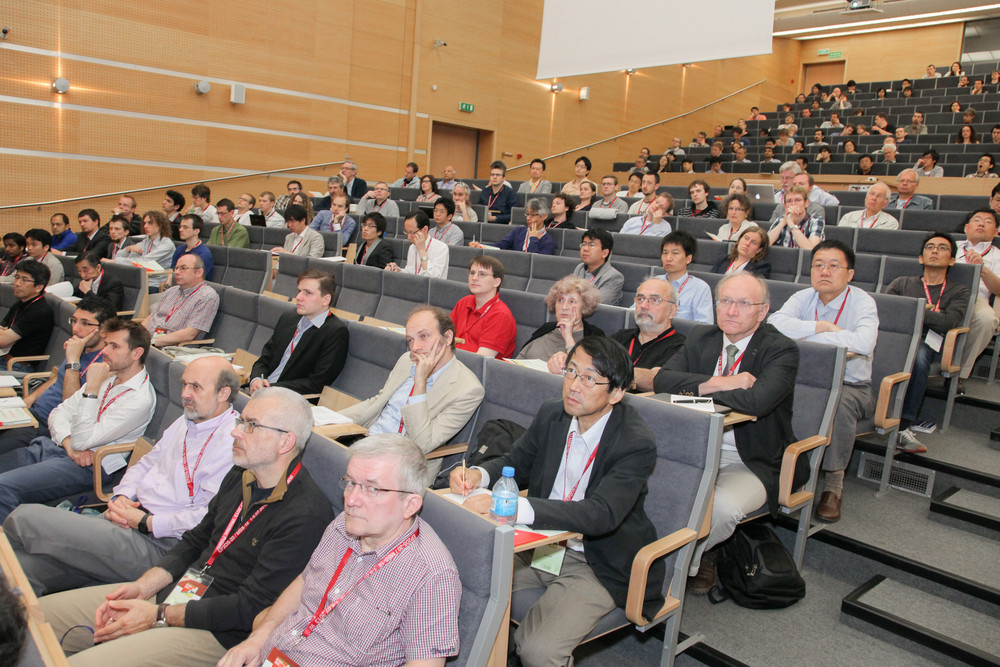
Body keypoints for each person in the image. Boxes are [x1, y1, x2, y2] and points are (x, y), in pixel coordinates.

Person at [38, 387, 332, 665]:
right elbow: (195, 540)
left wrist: (157, 615)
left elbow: (248, 607)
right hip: (176, 596)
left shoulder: (305, 514)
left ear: (285, 442)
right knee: (37, 619)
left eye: (250, 425)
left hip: (216, 632)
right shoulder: (241, 474)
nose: (236, 431)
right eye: (241, 421)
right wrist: (142, 588)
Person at [451, 336, 660, 666]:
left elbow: (601, 514)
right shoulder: (553, 413)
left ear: (617, 393)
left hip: (595, 562)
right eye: (571, 372)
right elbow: (517, 463)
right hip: (539, 546)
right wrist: (479, 475)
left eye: (589, 379)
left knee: (539, 651)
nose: (574, 386)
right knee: (457, 586)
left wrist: (512, 507)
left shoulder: (634, 442)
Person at [4, 356, 240, 596]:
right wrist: (122, 497)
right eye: (184, 384)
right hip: (127, 519)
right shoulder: (188, 419)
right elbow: (145, 464)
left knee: (25, 518)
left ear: (223, 394)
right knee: (23, 570)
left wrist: (146, 522)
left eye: (196, 387)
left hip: (160, 544)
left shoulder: (232, 443)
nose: (185, 394)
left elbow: (208, 517)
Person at [219, 434, 461, 667]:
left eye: (372, 489)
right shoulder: (343, 524)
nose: (352, 500)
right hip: (274, 651)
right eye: (351, 483)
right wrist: (258, 639)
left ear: (410, 505)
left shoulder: (432, 575)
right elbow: (305, 581)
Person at [654, 272, 805, 593]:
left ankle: (676, 570)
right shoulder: (702, 337)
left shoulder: (781, 349)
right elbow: (663, 381)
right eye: (725, 301)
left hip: (749, 459)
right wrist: (720, 383)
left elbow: (757, 402)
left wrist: (693, 390)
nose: (731, 311)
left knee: (720, 507)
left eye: (743, 303)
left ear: (763, 311)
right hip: (692, 451)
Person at [0, 319, 155, 522]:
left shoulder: (140, 399)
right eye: (106, 344)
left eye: (114, 346)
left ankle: (10, 540)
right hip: (59, 448)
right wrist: (68, 443)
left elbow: (82, 441)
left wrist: (91, 389)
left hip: (91, 466)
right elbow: (57, 413)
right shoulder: (108, 377)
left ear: (136, 353)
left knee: (3, 488)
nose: (105, 351)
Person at [769, 240, 878, 523]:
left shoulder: (863, 302)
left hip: (851, 386)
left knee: (837, 405)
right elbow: (774, 325)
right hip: (802, 380)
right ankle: (777, 467)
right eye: (818, 265)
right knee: (767, 393)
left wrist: (807, 337)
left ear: (850, 274)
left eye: (833, 266)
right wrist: (823, 327)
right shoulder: (803, 297)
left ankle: (833, 484)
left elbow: (864, 343)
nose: (824, 272)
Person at [341, 306, 484, 460]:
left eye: (424, 336)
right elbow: (378, 402)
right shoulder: (406, 360)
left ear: (448, 338)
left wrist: (420, 382)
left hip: (403, 460)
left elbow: (422, 444)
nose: (415, 348)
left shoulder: (468, 390)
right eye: (410, 340)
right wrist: (332, 419)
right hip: (368, 439)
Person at [886, 233, 970, 453]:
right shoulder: (902, 283)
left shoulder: (959, 290)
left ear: (952, 260)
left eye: (942, 248)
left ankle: (904, 424)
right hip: (898, 336)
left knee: (919, 356)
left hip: (931, 342)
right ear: (921, 258)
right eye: (930, 247)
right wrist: (925, 311)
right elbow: (886, 311)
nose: (934, 251)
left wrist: (912, 309)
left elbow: (948, 322)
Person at [0, 295, 114, 457]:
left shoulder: (105, 365)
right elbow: (57, 378)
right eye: (74, 320)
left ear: (104, 331)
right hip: (32, 413)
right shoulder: (80, 346)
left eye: (85, 323)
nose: (75, 329)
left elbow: (72, 406)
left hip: (49, 428)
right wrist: (29, 400)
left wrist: (73, 361)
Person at [249, 270, 348, 395]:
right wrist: (256, 379)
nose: (299, 297)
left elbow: (317, 383)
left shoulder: (335, 332)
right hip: (262, 389)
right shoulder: (288, 319)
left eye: (308, 293)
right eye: (299, 291)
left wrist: (270, 388)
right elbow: (264, 360)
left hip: (289, 397)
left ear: (325, 300)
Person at [956, 208, 1000, 388]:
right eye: (977, 220)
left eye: (988, 222)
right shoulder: (951, 246)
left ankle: (958, 372)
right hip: (945, 294)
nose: (981, 224)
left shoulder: (997, 255)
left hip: (976, 299)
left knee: (986, 319)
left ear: (996, 232)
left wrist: (983, 269)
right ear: (966, 228)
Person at [142, 254, 219, 347]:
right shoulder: (171, 291)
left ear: (199, 272)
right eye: (176, 268)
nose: (177, 272)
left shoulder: (206, 296)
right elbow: (151, 317)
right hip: (147, 341)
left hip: (169, 348)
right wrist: (137, 335)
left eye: (183, 268)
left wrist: (152, 342)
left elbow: (190, 334)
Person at [517, 277, 603, 361]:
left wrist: (568, 337)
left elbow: (584, 368)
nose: (564, 307)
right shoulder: (545, 329)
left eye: (571, 301)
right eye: (560, 300)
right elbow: (517, 362)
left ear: (584, 307)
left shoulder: (594, 338)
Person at [450, 255, 517, 359]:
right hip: (453, 360)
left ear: (496, 282)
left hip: (474, 367)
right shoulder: (464, 302)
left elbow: (481, 361)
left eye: (482, 274)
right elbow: (444, 334)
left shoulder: (501, 315)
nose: (474, 278)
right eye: (472, 273)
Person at [0, 262, 54, 373]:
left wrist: (5, 333)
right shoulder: (20, 304)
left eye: (24, 280)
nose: (17, 283)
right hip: (4, 359)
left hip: (16, 366)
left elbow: (3, 341)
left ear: (39, 287)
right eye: (17, 277)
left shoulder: (38, 311)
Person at [655, 230, 714, 324]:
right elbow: (634, 311)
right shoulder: (654, 282)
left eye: (675, 253)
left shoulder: (700, 288)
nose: (668, 258)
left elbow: (704, 326)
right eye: (665, 253)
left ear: (688, 258)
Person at [472, 199, 555, 255]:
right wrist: (481, 246)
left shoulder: (548, 242)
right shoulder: (518, 231)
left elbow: (535, 262)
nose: (528, 218)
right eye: (527, 214)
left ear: (544, 216)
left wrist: (533, 239)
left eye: (533, 215)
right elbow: (500, 245)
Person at [386, 211, 449, 278]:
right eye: (406, 232)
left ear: (424, 229)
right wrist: (398, 270)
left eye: (411, 233)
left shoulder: (441, 248)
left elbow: (433, 278)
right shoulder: (412, 247)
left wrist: (422, 251)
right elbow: (410, 272)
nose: (409, 237)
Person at [270, 204, 324, 278]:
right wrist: (275, 268)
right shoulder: (289, 237)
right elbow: (282, 259)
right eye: (288, 221)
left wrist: (288, 254)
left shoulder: (316, 237)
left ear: (303, 220)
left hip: (305, 276)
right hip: (287, 274)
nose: (290, 225)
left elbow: (312, 261)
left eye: (292, 221)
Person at [573, 229, 624, 306]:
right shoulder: (580, 268)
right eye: (584, 244)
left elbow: (597, 304)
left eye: (591, 245)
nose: (585, 249)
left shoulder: (614, 277)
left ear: (605, 253)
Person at [768, 185, 824, 249]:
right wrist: (784, 222)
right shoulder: (781, 220)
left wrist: (791, 223)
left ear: (806, 203)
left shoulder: (815, 220)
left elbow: (811, 249)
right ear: (785, 206)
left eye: (798, 200)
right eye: (789, 201)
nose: (793, 204)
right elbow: (765, 245)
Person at [168, 214, 214, 283]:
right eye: (180, 226)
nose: (180, 230)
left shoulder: (204, 254)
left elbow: (197, 279)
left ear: (196, 231)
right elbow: (172, 271)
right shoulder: (180, 249)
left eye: (185, 227)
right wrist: (168, 283)